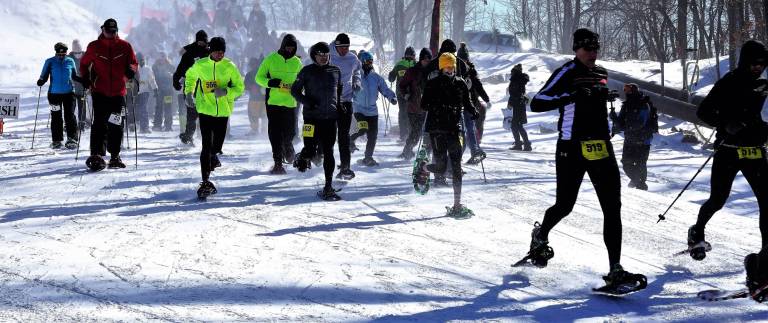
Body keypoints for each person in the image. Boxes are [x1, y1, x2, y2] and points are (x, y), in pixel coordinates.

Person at [526, 28, 645, 292]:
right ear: (576, 49)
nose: (593, 53)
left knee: (613, 207)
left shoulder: (601, 73)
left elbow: (594, 102)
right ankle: (540, 235)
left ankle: (615, 269)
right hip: (571, 147)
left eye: (595, 48)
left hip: (600, 146)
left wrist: (605, 99)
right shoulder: (566, 72)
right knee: (565, 205)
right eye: (587, 49)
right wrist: (572, 96)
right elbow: (538, 102)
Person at [689, 39, 768, 302]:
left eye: (762, 64)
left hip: (755, 150)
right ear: (745, 62)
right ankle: (697, 231)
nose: (758, 68)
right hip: (729, 149)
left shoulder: (763, 84)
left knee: (767, 203)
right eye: (754, 63)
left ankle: (762, 264)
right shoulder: (729, 82)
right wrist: (726, 123)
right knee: (718, 199)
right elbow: (703, 112)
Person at [184, 37, 244, 198]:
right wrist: (188, 92)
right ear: (211, 51)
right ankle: (205, 181)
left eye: (223, 52)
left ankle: (213, 157)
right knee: (206, 146)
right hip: (205, 110)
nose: (220, 54)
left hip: (223, 112)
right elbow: (190, 77)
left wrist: (226, 92)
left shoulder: (229, 66)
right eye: (217, 51)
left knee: (216, 147)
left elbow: (240, 87)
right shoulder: (200, 64)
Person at [420, 53, 477, 218]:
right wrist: (437, 106)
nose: (450, 69)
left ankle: (457, 204)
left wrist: (473, 111)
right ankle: (424, 167)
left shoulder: (460, 84)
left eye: (452, 66)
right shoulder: (433, 83)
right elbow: (424, 105)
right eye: (447, 66)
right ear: (441, 67)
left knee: (457, 166)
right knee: (441, 168)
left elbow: (467, 102)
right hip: (437, 129)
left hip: (453, 128)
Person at [80, 19, 138, 171]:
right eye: (108, 31)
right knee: (99, 123)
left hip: (118, 92)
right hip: (99, 91)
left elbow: (133, 62)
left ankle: (115, 156)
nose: (111, 34)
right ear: (103, 30)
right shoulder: (94, 46)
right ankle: (97, 155)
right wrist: (85, 78)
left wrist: (131, 71)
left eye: (113, 31)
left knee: (116, 124)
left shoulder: (125, 46)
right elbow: (84, 64)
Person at [291, 42, 343, 201]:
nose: (324, 58)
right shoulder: (306, 71)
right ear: (314, 56)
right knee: (310, 149)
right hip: (311, 118)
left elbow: (338, 91)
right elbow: (295, 90)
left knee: (329, 152)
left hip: (330, 119)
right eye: (320, 55)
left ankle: (328, 186)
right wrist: (307, 102)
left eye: (326, 55)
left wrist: (339, 106)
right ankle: (301, 157)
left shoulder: (335, 70)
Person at [255, 34, 303, 173]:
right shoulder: (270, 59)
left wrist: (299, 89)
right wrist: (271, 82)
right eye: (287, 47)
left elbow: (302, 81)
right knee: (275, 133)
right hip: (273, 102)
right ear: (282, 46)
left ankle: (287, 146)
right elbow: (259, 78)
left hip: (291, 103)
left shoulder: (297, 62)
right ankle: (277, 162)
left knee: (291, 133)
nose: (290, 50)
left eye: (292, 48)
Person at [350, 51, 398, 166]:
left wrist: (392, 97)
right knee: (363, 128)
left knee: (373, 135)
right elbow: (348, 90)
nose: (369, 64)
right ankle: (349, 139)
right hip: (359, 108)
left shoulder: (376, 77)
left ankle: (368, 157)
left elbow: (384, 89)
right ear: (361, 62)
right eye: (367, 61)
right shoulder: (356, 76)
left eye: (371, 61)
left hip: (372, 111)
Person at [609, 83, 658, 191]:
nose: (626, 92)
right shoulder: (626, 105)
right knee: (626, 163)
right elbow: (621, 123)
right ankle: (636, 180)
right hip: (630, 139)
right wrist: (614, 118)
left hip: (643, 140)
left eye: (628, 90)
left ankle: (641, 185)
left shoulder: (644, 105)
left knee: (640, 163)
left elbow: (639, 124)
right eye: (625, 90)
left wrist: (622, 126)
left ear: (634, 91)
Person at [330, 33, 363, 180]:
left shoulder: (352, 58)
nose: (344, 50)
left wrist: (357, 82)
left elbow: (357, 72)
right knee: (328, 135)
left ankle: (345, 167)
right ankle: (318, 154)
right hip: (329, 101)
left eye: (347, 47)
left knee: (344, 135)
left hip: (346, 100)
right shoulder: (327, 56)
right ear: (336, 46)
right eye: (341, 47)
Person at [37, 42, 81, 150]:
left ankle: (72, 139)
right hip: (54, 94)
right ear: (56, 52)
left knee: (69, 116)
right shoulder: (50, 61)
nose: (61, 56)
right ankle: (57, 140)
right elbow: (44, 75)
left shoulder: (70, 61)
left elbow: (74, 75)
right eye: (59, 54)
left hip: (69, 93)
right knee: (56, 116)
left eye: (63, 54)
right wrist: (41, 80)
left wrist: (83, 81)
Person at [174, 30, 209, 145]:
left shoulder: (210, 53)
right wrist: (176, 79)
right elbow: (180, 68)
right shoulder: (189, 53)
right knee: (192, 114)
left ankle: (209, 139)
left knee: (207, 114)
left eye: (203, 42)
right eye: (199, 42)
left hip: (207, 88)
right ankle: (188, 136)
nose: (201, 44)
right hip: (191, 86)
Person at [456, 42, 490, 164]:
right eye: (461, 59)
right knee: (462, 132)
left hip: (469, 104)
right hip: (458, 105)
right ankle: (457, 160)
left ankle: (474, 151)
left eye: (465, 58)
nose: (463, 61)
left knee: (470, 128)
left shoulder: (471, 70)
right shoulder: (455, 69)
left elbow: (478, 85)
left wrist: (485, 98)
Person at [398, 48, 432, 160]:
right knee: (416, 133)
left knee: (428, 134)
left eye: (429, 60)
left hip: (427, 108)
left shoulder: (432, 72)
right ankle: (407, 150)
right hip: (413, 107)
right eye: (425, 60)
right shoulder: (412, 71)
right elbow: (402, 85)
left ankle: (425, 156)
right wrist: (406, 95)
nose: (427, 62)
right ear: (421, 59)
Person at [388, 46, 415, 141]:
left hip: (400, 93)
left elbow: (391, 78)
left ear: (405, 55)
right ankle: (411, 135)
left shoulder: (399, 64)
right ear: (413, 56)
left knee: (402, 112)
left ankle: (403, 135)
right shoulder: (415, 64)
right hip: (412, 93)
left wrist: (391, 75)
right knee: (411, 113)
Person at [507, 64, 531, 151]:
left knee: (515, 125)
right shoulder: (520, 79)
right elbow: (519, 93)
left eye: (512, 71)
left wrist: (510, 103)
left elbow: (514, 94)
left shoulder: (515, 80)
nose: (511, 73)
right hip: (520, 104)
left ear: (514, 72)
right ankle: (525, 144)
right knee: (518, 125)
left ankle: (521, 144)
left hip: (517, 105)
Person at [67, 39, 88, 129]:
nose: (78, 55)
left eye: (79, 53)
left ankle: (82, 123)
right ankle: (69, 123)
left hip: (83, 87)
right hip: (72, 87)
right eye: (76, 53)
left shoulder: (86, 56)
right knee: (71, 106)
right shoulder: (69, 58)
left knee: (82, 106)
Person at [152, 52, 175, 131]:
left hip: (168, 90)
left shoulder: (171, 67)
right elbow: (152, 78)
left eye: (163, 57)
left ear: (166, 57)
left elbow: (175, 77)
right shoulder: (154, 67)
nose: (162, 58)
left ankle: (168, 125)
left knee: (168, 107)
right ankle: (157, 125)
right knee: (158, 107)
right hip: (159, 90)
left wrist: (171, 76)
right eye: (160, 57)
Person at [244, 56, 266, 135]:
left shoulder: (251, 74)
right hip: (258, 99)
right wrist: (251, 87)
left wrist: (252, 87)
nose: (253, 65)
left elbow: (245, 86)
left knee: (257, 115)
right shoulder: (250, 74)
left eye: (254, 64)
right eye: (252, 64)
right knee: (257, 115)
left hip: (258, 99)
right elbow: (245, 86)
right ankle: (258, 130)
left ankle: (260, 130)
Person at [136, 53, 157, 133]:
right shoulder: (134, 68)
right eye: (139, 60)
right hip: (135, 92)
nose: (141, 61)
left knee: (143, 108)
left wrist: (155, 89)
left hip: (145, 91)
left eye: (142, 60)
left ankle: (145, 127)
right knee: (136, 109)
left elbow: (152, 80)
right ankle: (137, 125)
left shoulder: (148, 69)